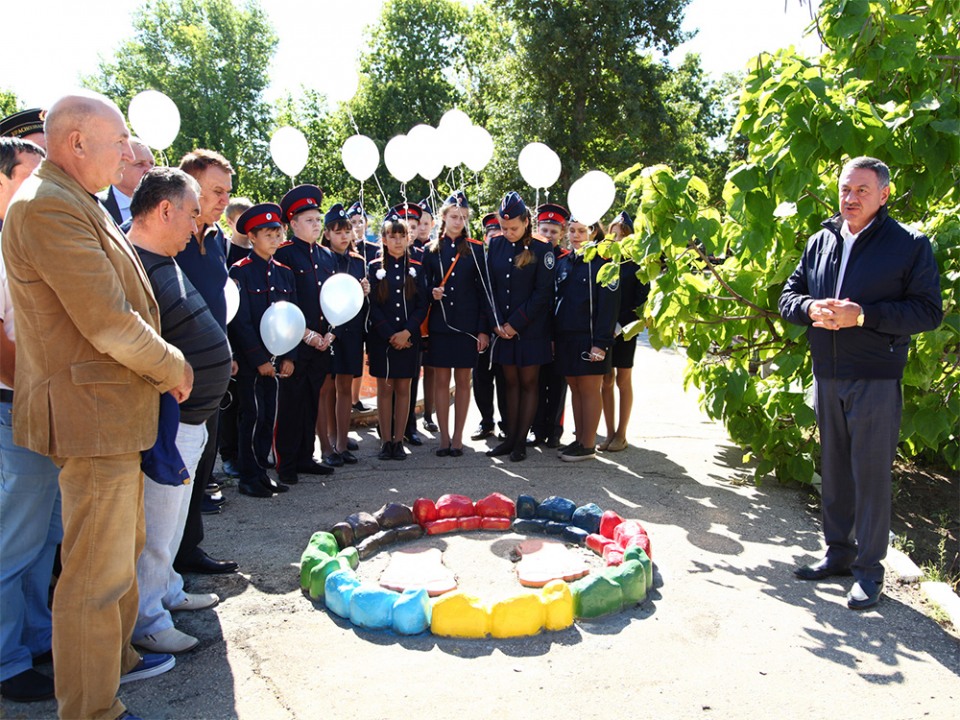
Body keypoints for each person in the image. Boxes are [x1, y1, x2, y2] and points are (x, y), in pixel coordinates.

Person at [2, 90, 192, 719]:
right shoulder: (48, 207)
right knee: (93, 578)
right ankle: (91, 708)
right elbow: (107, 322)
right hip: (90, 417)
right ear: (76, 142)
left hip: (108, 415)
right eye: (117, 145)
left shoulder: (72, 200)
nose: (126, 157)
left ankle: (113, 669)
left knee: (111, 563)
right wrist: (173, 365)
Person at [779, 156, 942, 610]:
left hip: (875, 376)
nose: (850, 199)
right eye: (845, 189)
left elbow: (929, 312)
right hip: (827, 373)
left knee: (869, 476)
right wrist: (810, 308)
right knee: (833, 470)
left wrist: (864, 316)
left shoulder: (909, 244)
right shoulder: (820, 240)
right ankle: (839, 554)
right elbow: (788, 297)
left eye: (862, 191)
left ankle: (870, 572)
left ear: (884, 194)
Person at [127, 168, 231, 654]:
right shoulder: (130, 264)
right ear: (164, 209)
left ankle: (166, 589)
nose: (196, 226)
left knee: (171, 520)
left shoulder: (163, 256)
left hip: (193, 417)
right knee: (155, 520)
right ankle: (147, 619)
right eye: (191, 214)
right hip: (168, 420)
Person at [0, 136, 62, 704]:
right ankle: (6, 661)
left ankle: (38, 638)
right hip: (16, 406)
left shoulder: (26, 240)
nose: (41, 186)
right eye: (29, 173)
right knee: (14, 542)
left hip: (44, 406)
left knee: (47, 536)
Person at [174, 149, 239, 575]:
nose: (223, 201)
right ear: (190, 186)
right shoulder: (163, 239)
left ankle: (188, 549)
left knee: (202, 464)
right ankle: (163, 563)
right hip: (174, 376)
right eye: (216, 191)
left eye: (228, 192)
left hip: (212, 374)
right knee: (172, 474)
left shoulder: (215, 239)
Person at [228, 203, 297, 498]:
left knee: (270, 415)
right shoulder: (240, 271)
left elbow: (292, 316)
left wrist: (289, 356)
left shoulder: (284, 272)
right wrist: (258, 359)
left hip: (277, 360)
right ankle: (248, 475)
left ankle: (262, 473)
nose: (274, 239)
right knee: (251, 416)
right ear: (252, 237)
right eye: (267, 234)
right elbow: (240, 321)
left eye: (277, 233)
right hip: (250, 361)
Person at [486, 191, 556, 462]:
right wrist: (496, 324)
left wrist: (514, 324)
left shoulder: (541, 247)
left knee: (528, 383)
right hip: (502, 329)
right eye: (504, 228)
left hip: (530, 329)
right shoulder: (496, 244)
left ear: (526, 221)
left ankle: (520, 443)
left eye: (513, 227)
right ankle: (509, 438)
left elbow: (543, 293)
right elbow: (490, 287)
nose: (508, 232)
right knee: (509, 383)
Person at [273, 185, 335, 485]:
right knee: (291, 404)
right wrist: (307, 334)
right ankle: (285, 462)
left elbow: (334, 300)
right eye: (309, 220)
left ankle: (305, 456)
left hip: (322, 344)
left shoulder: (325, 255)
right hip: (295, 344)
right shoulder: (283, 254)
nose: (316, 224)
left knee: (312, 400)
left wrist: (329, 334)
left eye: (317, 219)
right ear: (293, 224)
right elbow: (285, 302)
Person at [423, 191, 491, 456]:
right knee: (441, 381)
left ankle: (459, 438)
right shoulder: (431, 250)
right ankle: (443, 438)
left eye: (463, 217)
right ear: (443, 217)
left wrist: (483, 329)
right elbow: (421, 287)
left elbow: (484, 291)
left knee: (464, 381)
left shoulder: (475, 249)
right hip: (441, 324)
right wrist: (432, 291)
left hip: (467, 326)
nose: (458, 221)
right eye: (454, 216)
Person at [554, 218, 620, 462]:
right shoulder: (564, 262)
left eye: (582, 231)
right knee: (575, 387)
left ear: (593, 232)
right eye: (571, 230)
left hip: (591, 338)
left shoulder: (604, 264)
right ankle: (580, 438)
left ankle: (588, 445)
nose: (575, 235)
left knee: (590, 389)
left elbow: (608, 307)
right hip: (566, 337)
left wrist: (601, 343)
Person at [367, 214, 428, 460]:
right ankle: (385, 442)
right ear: (384, 239)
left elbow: (422, 305)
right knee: (385, 388)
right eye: (392, 236)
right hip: (383, 338)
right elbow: (372, 304)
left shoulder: (417, 267)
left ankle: (398, 440)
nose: (398, 240)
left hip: (409, 338)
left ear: (408, 237)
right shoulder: (373, 268)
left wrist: (406, 332)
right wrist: (390, 334)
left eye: (402, 235)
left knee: (404, 387)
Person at [318, 204, 370, 466]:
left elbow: (360, 299)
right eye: (337, 232)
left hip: (351, 331)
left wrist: (366, 289)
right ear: (326, 234)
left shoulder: (359, 261)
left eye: (347, 231)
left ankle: (342, 440)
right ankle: (329, 436)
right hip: (328, 332)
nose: (343, 236)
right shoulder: (322, 259)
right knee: (327, 386)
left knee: (345, 387)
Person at [599, 211, 649, 452]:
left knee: (622, 380)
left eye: (623, 237)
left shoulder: (638, 266)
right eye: (614, 236)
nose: (617, 241)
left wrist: (622, 326)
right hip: (606, 331)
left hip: (626, 330)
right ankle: (608, 433)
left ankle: (622, 433)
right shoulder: (606, 264)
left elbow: (642, 303)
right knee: (606, 380)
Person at [217, 196, 255, 481]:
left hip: (256, 340)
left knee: (251, 405)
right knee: (230, 404)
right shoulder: (223, 251)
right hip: (230, 339)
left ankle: (249, 454)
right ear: (229, 222)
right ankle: (229, 456)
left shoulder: (259, 251)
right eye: (241, 219)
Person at [531, 203, 571, 448]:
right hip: (536, 330)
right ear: (537, 229)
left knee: (557, 384)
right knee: (535, 383)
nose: (548, 236)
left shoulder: (567, 260)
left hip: (560, 331)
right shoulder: (531, 255)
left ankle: (555, 431)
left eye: (553, 232)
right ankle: (537, 428)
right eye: (544, 230)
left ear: (561, 234)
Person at [471, 212, 507, 440]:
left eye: (499, 234)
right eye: (491, 235)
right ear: (485, 238)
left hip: (505, 328)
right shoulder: (478, 260)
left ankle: (506, 424)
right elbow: (480, 299)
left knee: (504, 380)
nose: (495, 239)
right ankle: (486, 422)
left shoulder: (511, 258)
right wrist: (483, 330)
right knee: (481, 378)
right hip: (483, 329)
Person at [97, 137, 156, 225]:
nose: (150, 170)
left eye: (151, 164)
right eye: (140, 164)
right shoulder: (97, 206)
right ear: (118, 167)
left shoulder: (163, 205)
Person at [416, 197, 438, 431]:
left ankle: (429, 415)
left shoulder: (436, 249)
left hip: (432, 318)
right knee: (412, 371)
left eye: (425, 223)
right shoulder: (407, 248)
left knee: (431, 368)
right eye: (417, 223)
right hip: (413, 319)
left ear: (432, 224)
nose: (421, 227)